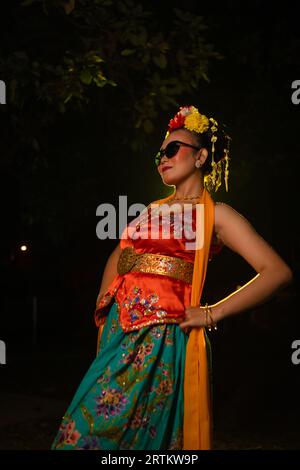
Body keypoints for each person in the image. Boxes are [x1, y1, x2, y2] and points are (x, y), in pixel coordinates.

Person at [51, 105, 293, 450]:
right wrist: (104, 315)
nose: (162, 157)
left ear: (201, 156)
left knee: (140, 440)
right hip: (119, 336)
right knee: (76, 433)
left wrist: (212, 313)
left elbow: (277, 272)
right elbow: (120, 255)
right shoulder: (151, 209)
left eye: (172, 149)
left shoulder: (217, 215)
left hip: (161, 339)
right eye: (159, 153)